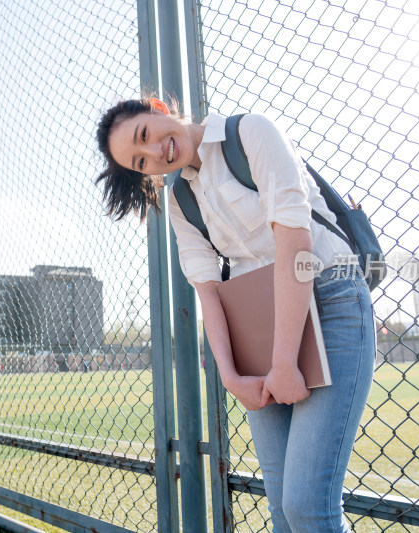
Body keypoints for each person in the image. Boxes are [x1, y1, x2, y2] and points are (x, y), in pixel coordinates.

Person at [95, 97, 376, 532]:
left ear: (157, 108)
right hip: (260, 328)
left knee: (307, 506)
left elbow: (295, 247)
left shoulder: (250, 133)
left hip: (331, 299)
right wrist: (229, 376)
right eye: (140, 161)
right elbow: (209, 295)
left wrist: (284, 363)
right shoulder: (180, 200)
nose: (154, 154)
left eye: (145, 135)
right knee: (282, 510)